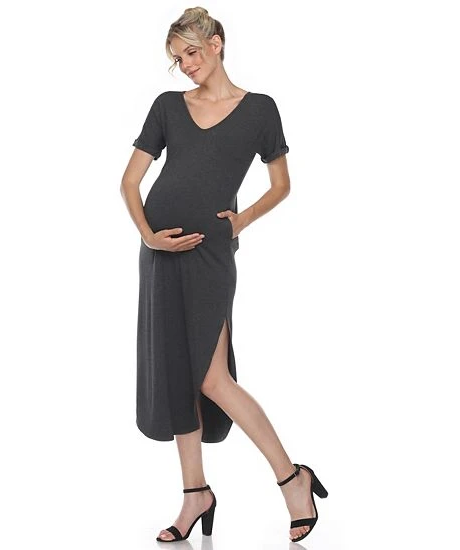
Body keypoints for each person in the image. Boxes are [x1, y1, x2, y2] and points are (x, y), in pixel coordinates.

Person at [120, 6, 328, 544]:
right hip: (159, 257)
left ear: (215, 43)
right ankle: (195, 494)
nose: (185, 65)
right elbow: (129, 182)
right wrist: (148, 235)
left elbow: (281, 185)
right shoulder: (168, 106)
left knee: (212, 379)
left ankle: (292, 478)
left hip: (211, 255)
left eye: (191, 52)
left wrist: (241, 220)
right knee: (178, 376)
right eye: (177, 58)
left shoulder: (259, 109)